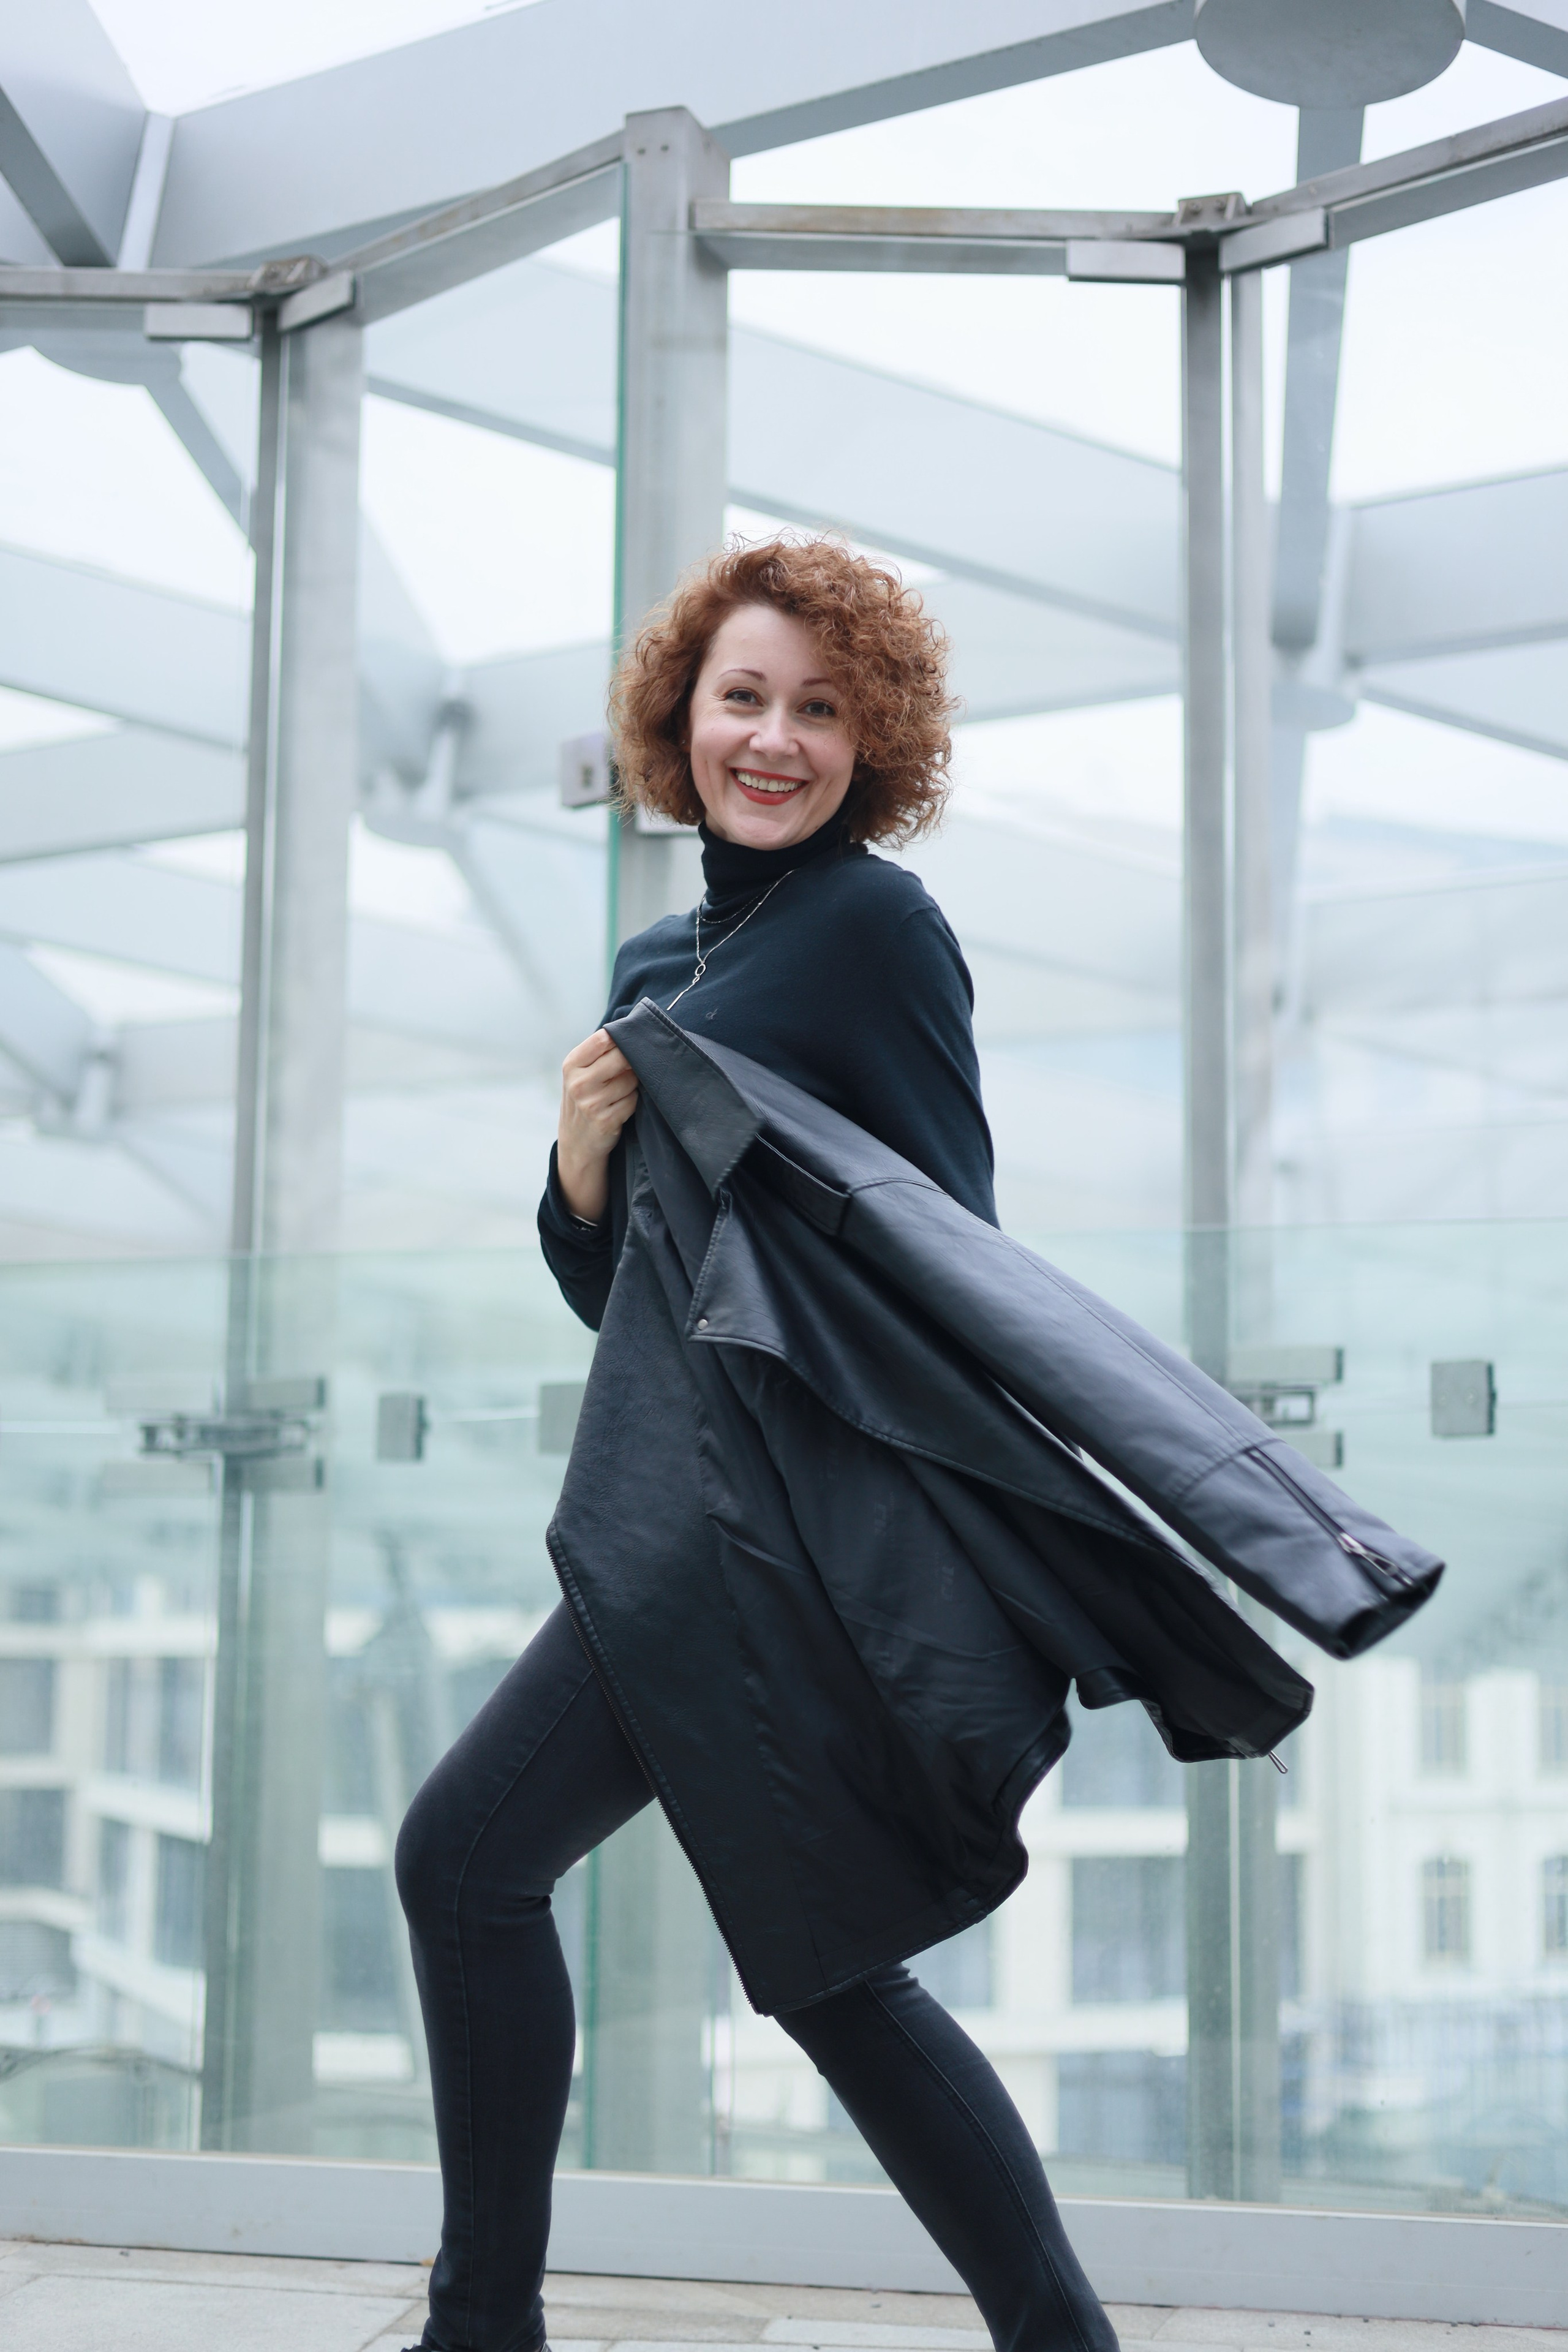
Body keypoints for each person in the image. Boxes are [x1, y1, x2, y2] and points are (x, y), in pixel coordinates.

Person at [394, 538, 1122, 2352]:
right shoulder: (665, 949)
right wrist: (573, 1166)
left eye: (817, 706)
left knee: (476, 1863)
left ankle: (486, 2325)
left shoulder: (876, 930)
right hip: (676, 1506)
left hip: (768, 1534)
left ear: (875, 738)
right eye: (744, 699)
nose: (774, 738)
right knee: (815, 1962)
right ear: (679, 718)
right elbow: (620, 1287)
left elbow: (945, 1233)